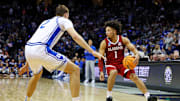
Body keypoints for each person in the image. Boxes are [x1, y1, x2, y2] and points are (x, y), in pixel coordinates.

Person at [24, 4, 104, 101]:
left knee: (37, 74)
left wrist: (27, 64)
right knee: (75, 70)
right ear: (66, 14)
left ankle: (27, 99)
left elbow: (34, 41)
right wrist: (91, 51)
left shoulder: (46, 22)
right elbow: (75, 37)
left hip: (28, 49)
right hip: (41, 49)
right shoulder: (64, 20)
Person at [98, 20, 157, 101]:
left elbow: (133, 48)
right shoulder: (104, 43)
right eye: (106, 31)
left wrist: (137, 55)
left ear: (114, 31)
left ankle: (148, 96)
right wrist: (101, 71)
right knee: (114, 72)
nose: (106, 32)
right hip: (111, 64)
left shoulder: (123, 39)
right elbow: (100, 58)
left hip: (122, 63)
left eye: (108, 30)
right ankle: (109, 96)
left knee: (134, 77)